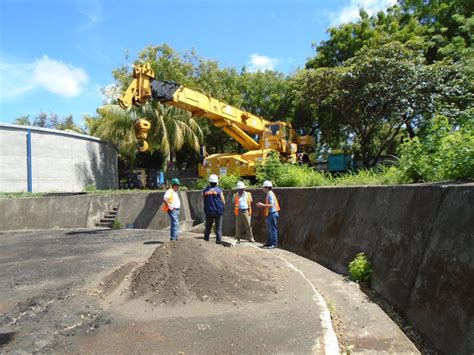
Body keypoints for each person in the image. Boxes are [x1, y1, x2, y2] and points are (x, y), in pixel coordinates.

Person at [257, 180, 280, 249]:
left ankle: (274, 244)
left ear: (267, 187)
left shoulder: (270, 194)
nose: (262, 189)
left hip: (273, 214)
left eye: (263, 187)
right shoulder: (269, 193)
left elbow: (271, 205)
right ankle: (270, 243)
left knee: (272, 229)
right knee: (270, 229)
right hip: (271, 214)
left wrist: (262, 205)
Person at [203, 174, 225, 244]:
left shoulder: (205, 191)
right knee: (218, 227)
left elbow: (203, 198)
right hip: (218, 211)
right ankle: (218, 241)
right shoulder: (219, 190)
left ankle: (206, 240)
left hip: (208, 211)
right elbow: (223, 200)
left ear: (209, 182)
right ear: (216, 182)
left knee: (208, 226)